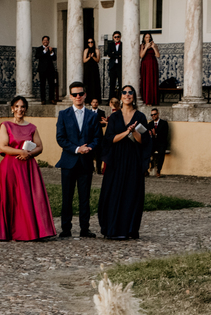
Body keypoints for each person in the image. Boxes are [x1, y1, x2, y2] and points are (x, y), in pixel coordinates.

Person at [0, 95, 55, 241]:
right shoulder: (5, 125)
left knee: (27, 198)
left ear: (26, 109)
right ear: (12, 108)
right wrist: (21, 152)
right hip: (10, 166)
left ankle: (27, 231)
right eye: (17, 106)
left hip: (28, 167)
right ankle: (6, 232)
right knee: (9, 197)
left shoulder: (32, 127)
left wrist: (29, 154)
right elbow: (3, 146)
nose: (20, 109)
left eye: (22, 107)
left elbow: (40, 146)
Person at [98, 85, 150, 240]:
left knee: (131, 193)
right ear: (120, 97)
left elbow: (143, 141)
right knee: (113, 192)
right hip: (116, 159)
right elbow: (110, 139)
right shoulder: (114, 117)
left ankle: (129, 229)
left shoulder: (140, 117)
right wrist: (126, 131)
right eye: (124, 92)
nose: (127, 95)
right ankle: (113, 228)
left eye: (130, 92)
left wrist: (134, 131)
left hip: (133, 159)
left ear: (133, 96)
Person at [55, 82, 100, 238]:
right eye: (74, 94)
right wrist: (77, 149)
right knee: (67, 197)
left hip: (85, 162)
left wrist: (89, 148)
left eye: (80, 94)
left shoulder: (93, 116)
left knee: (84, 198)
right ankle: (66, 229)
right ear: (70, 96)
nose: (78, 97)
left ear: (85, 95)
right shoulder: (63, 114)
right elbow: (60, 138)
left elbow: (97, 137)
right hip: (68, 162)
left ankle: (84, 229)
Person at [147, 107, 169, 176]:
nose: (153, 116)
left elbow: (165, 135)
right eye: (152, 115)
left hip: (161, 143)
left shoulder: (164, 123)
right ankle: (146, 169)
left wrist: (156, 134)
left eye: (154, 114)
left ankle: (158, 170)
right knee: (146, 152)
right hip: (153, 143)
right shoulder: (150, 124)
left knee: (161, 153)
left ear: (158, 114)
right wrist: (150, 134)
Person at [139, 34, 160, 106]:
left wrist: (153, 47)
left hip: (153, 63)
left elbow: (158, 55)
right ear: (144, 38)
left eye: (149, 37)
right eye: (146, 37)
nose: (148, 39)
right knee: (146, 81)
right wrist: (146, 47)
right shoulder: (142, 45)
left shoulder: (154, 45)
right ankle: (146, 100)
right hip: (145, 64)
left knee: (152, 81)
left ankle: (153, 100)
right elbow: (141, 55)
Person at [36, 37, 58, 105]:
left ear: (48, 42)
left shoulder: (51, 49)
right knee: (42, 85)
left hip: (50, 70)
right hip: (42, 70)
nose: (46, 41)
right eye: (44, 40)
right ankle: (43, 100)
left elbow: (54, 58)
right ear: (42, 41)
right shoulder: (39, 49)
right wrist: (44, 51)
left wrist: (51, 52)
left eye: (47, 40)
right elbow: (37, 56)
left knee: (51, 85)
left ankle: (51, 99)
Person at [82, 38, 102, 107]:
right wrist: (89, 57)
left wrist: (93, 57)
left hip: (94, 69)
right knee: (88, 83)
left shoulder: (97, 50)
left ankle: (95, 100)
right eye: (89, 42)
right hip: (88, 68)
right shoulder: (86, 50)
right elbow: (84, 60)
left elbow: (98, 60)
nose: (90, 43)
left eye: (91, 42)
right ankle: (87, 100)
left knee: (94, 83)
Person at [106, 32, 123, 97]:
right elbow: (109, 54)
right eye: (115, 37)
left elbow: (123, 53)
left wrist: (114, 53)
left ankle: (120, 98)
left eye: (118, 36)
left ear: (120, 37)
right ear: (113, 37)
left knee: (120, 83)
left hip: (120, 66)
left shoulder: (122, 44)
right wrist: (118, 54)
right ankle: (110, 99)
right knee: (112, 84)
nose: (117, 38)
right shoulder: (110, 44)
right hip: (112, 66)